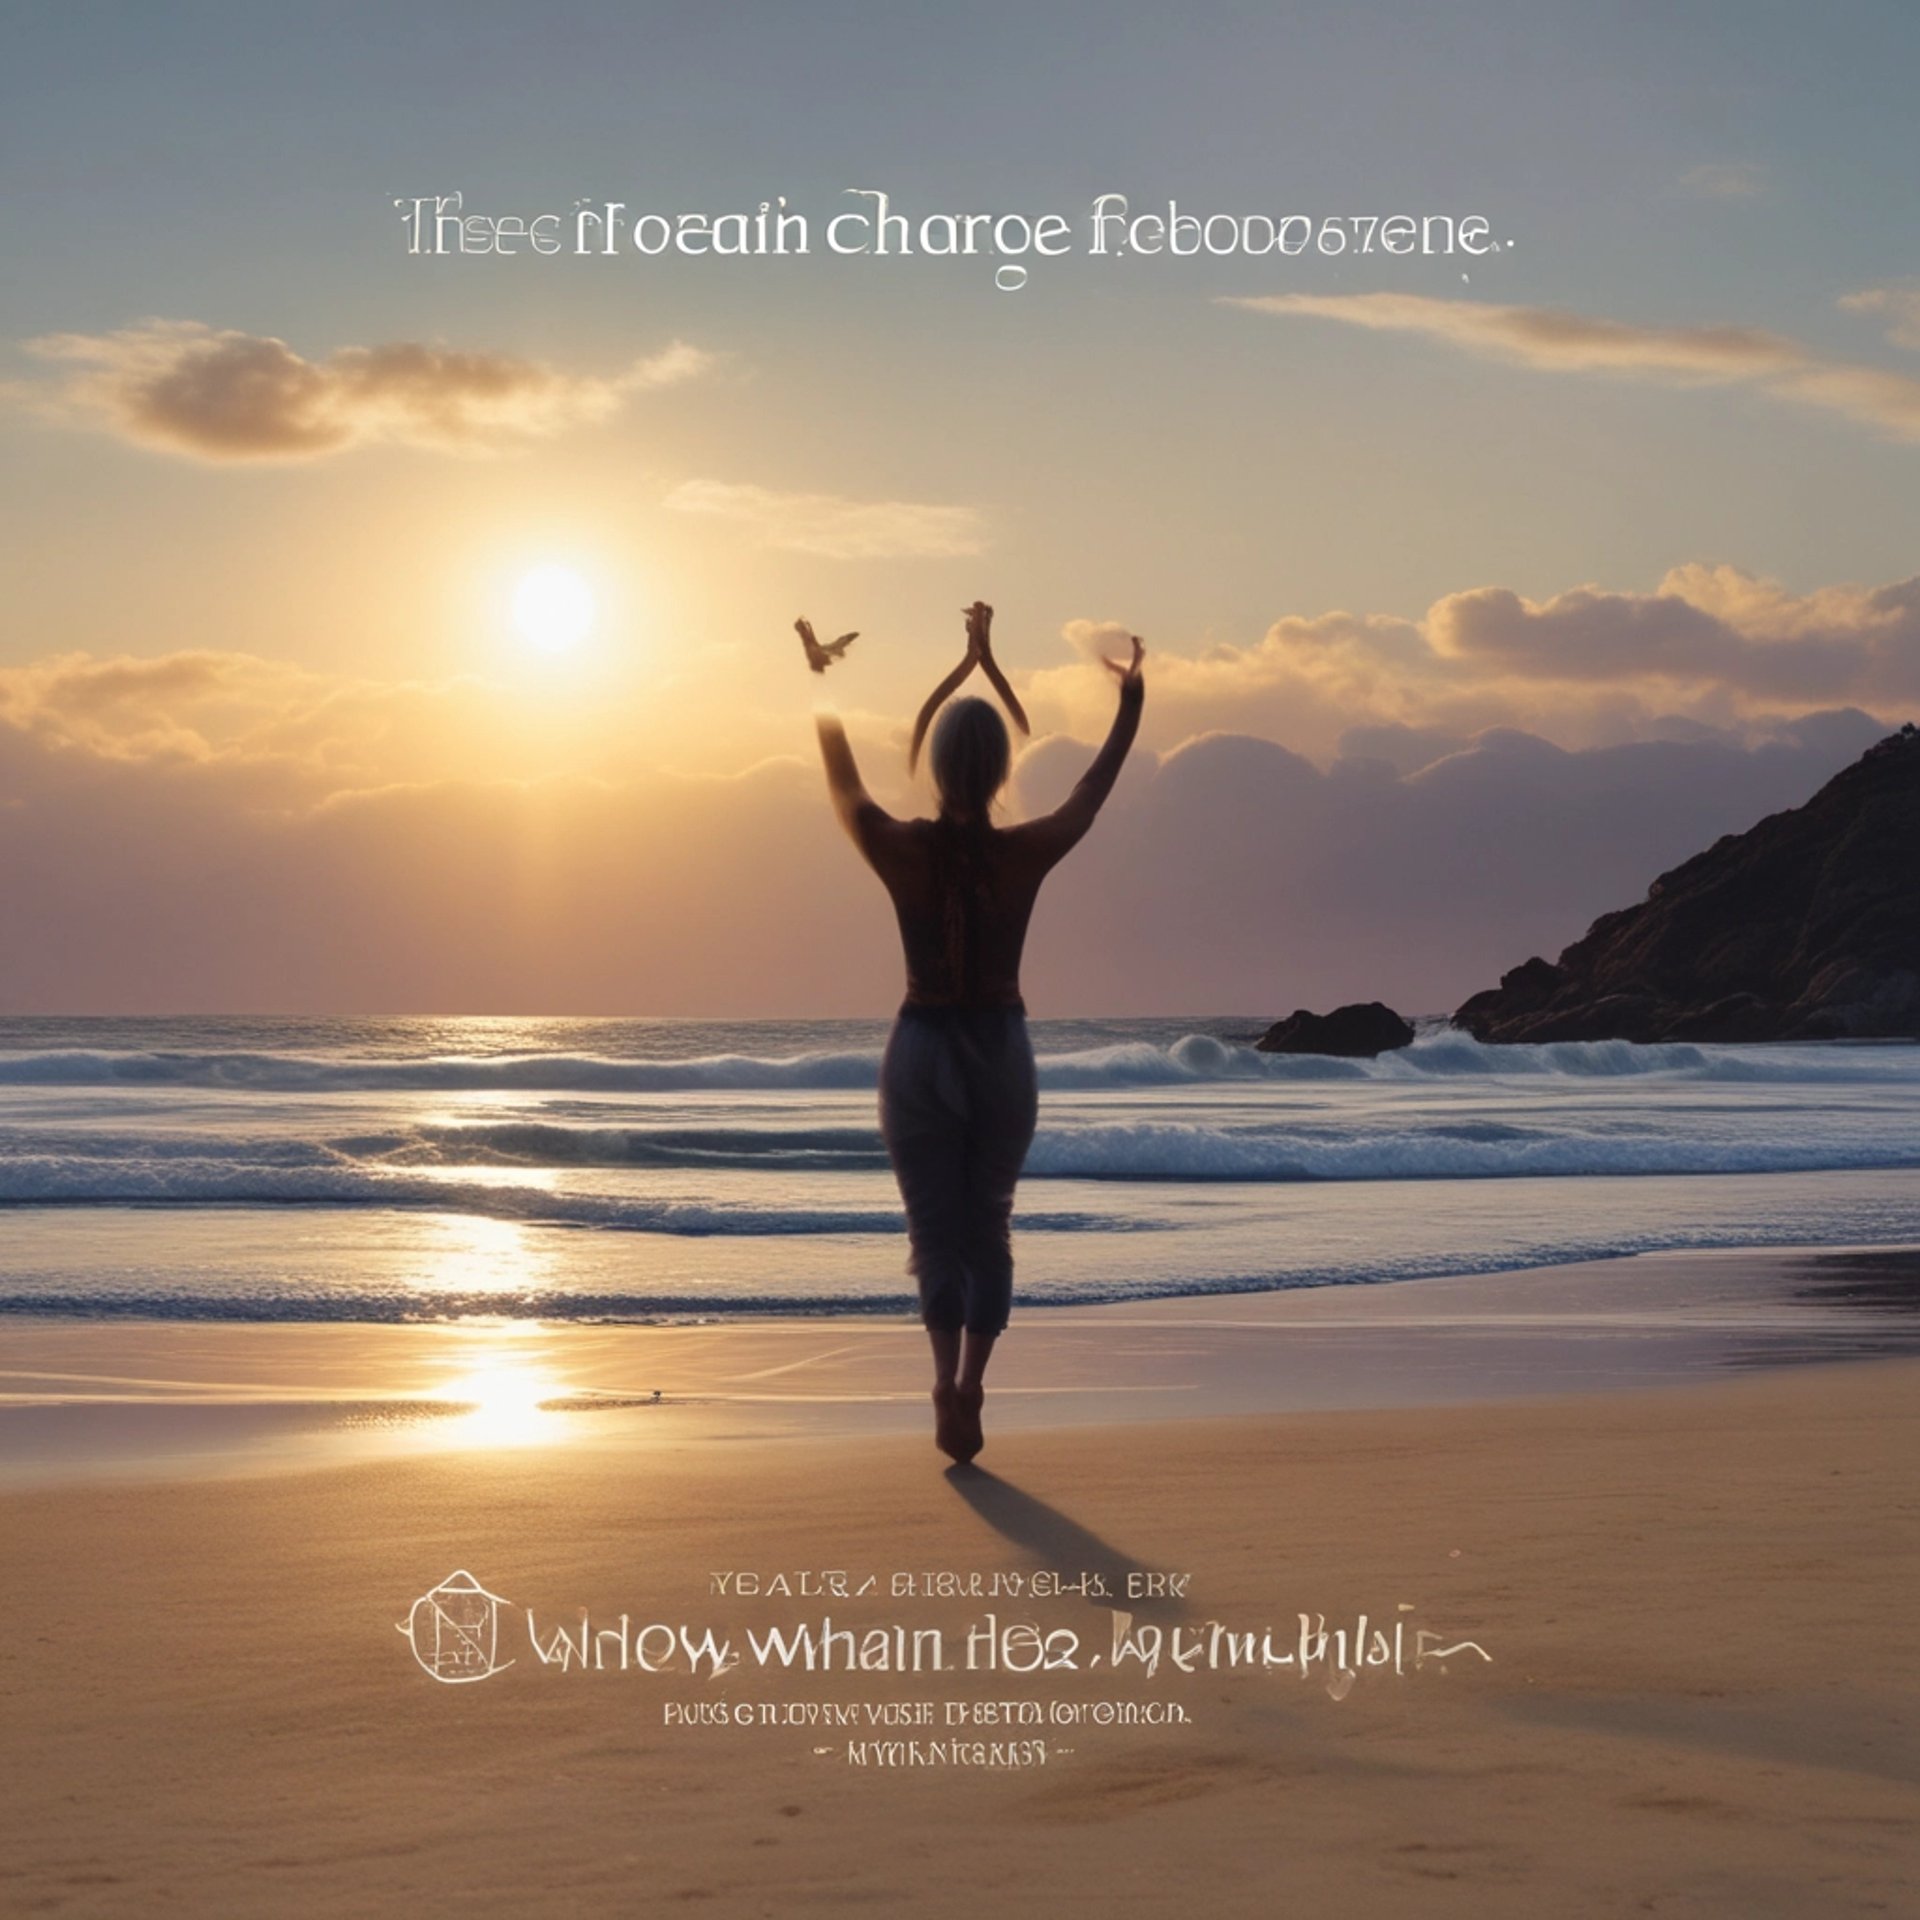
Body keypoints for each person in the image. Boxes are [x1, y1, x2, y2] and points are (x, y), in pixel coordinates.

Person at [802, 600, 1146, 1464]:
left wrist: (823, 691)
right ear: (997, 770)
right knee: (987, 1223)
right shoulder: (1023, 851)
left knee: (933, 1231)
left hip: (920, 1047)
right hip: (998, 1048)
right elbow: (1089, 795)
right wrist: (1131, 706)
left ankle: (939, 1375)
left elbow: (844, 787)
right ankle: (971, 1384)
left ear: (936, 763)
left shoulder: (897, 848)